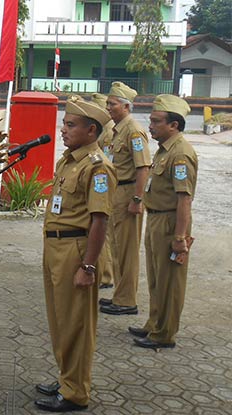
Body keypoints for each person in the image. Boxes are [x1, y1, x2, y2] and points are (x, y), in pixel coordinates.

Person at [35, 98, 115, 413]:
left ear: (91, 130)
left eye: (70, 125)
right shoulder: (69, 161)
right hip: (55, 246)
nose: (63, 129)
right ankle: (67, 377)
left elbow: (100, 220)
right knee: (60, 320)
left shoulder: (97, 167)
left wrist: (89, 266)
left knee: (77, 323)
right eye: (64, 123)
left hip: (76, 250)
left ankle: (76, 392)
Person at [129, 95, 198, 350]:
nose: (151, 126)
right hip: (156, 218)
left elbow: (184, 200)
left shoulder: (180, 154)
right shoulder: (164, 149)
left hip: (170, 222)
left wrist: (180, 238)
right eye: (151, 121)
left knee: (170, 280)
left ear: (174, 125)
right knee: (157, 277)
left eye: (156, 122)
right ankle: (154, 323)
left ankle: (165, 334)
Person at [99, 82, 151, 316]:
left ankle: (127, 300)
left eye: (112, 104)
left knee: (128, 250)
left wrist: (137, 199)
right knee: (117, 248)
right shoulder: (119, 129)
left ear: (126, 106)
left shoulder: (133, 130)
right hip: (117, 193)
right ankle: (120, 295)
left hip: (129, 193)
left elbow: (143, 167)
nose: (108, 107)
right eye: (108, 103)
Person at [90, 93, 115, 290]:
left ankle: (106, 275)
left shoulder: (107, 132)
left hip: (108, 185)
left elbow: (107, 159)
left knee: (104, 234)